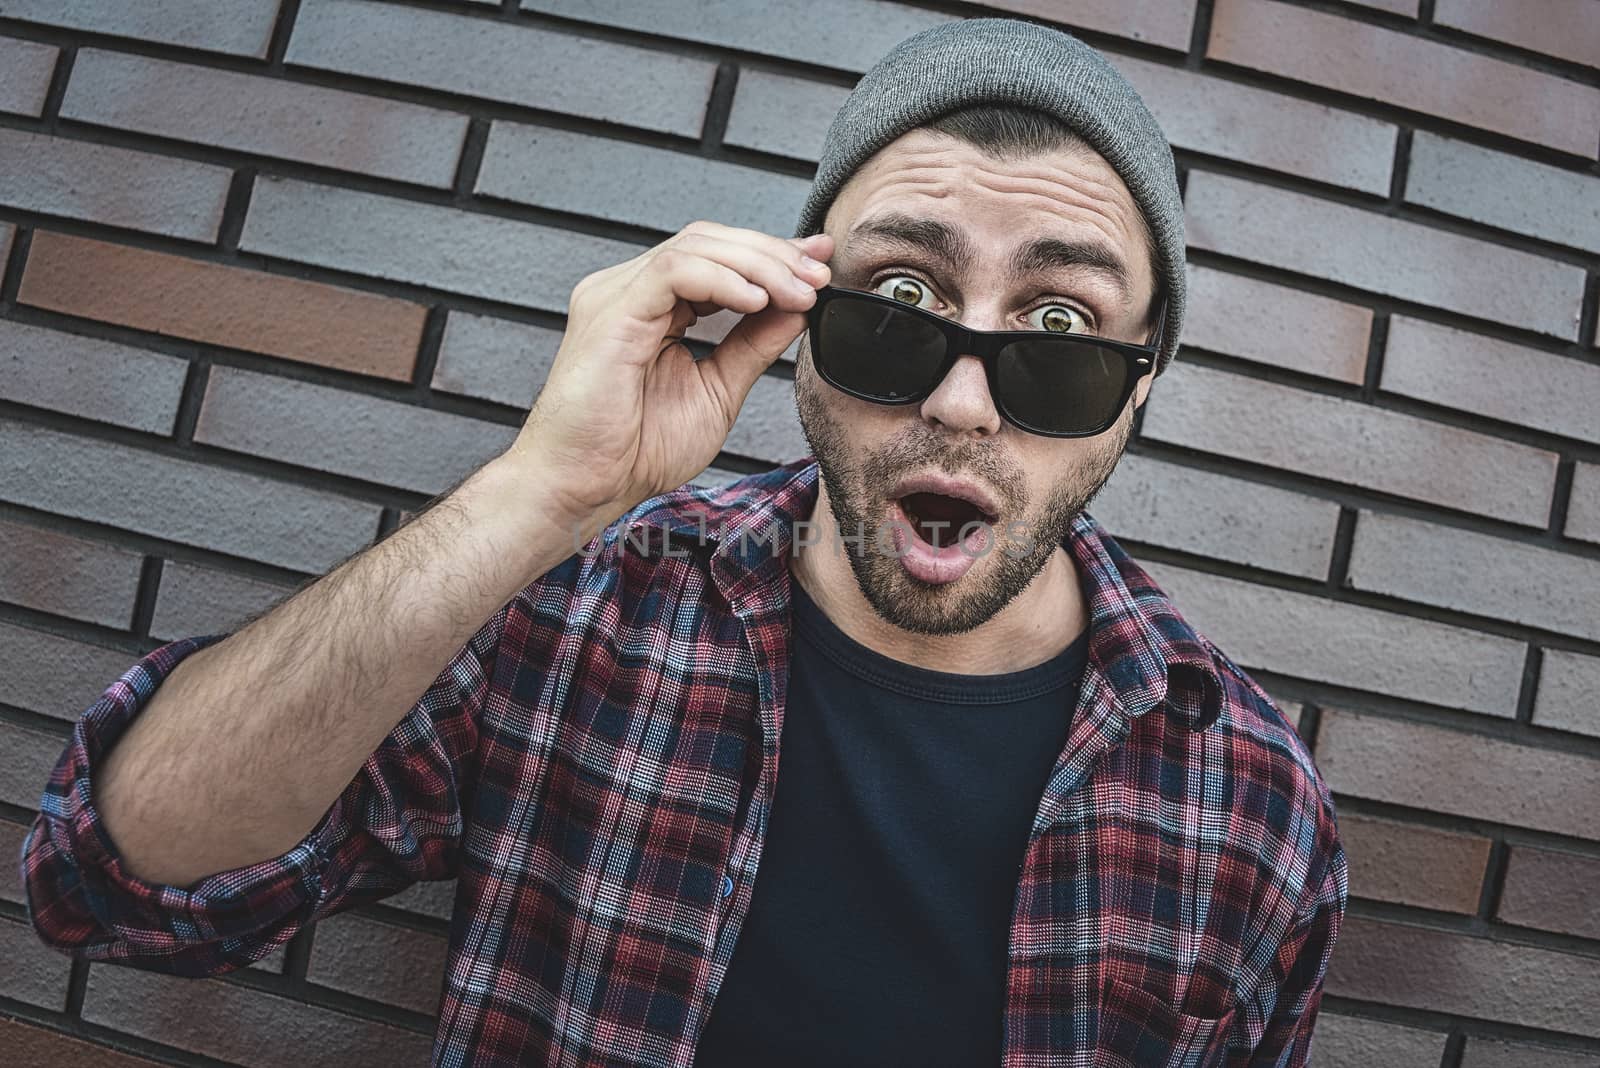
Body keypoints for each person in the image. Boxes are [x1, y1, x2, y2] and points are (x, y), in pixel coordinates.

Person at [19, 17, 1345, 1067]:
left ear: (1144, 373)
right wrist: (538, 491)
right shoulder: (581, 608)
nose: (959, 397)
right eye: (898, 301)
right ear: (795, 320)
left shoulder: (1250, 806)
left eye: (1058, 333)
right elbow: (114, 887)